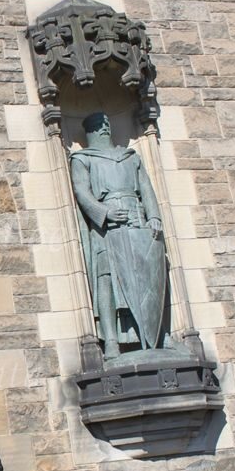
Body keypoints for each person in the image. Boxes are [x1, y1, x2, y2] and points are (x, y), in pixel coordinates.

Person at [70, 111, 167, 359]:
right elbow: (82, 192)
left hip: (136, 219)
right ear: (89, 131)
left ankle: (154, 335)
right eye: (97, 125)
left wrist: (153, 215)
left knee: (146, 275)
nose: (103, 127)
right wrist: (104, 212)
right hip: (107, 227)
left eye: (105, 123)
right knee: (106, 279)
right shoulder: (82, 159)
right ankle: (111, 341)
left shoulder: (130, 157)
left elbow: (145, 188)